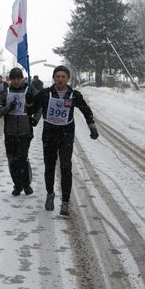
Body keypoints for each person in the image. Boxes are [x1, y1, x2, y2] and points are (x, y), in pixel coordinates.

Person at [26, 65, 98, 216]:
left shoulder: (74, 95)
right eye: (57, 76)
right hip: (49, 134)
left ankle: (65, 201)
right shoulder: (45, 94)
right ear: (54, 78)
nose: (60, 79)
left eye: (63, 76)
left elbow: (86, 110)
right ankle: (50, 194)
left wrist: (92, 128)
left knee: (66, 168)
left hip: (66, 134)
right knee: (50, 167)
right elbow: (31, 111)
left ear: (68, 78)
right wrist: (29, 101)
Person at [0, 68, 41, 196]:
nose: (16, 81)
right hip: (9, 131)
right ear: (10, 79)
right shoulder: (5, 92)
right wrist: (9, 108)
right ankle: (17, 184)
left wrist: (35, 119)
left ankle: (26, 184)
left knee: (21, 158)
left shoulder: (29, 91)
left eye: (19, 78)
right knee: (12, 160)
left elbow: (39, 106)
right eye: (13, 78)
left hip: (25, 131)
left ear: (22, 79)